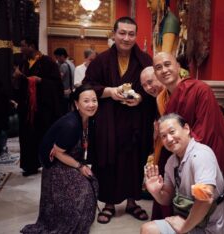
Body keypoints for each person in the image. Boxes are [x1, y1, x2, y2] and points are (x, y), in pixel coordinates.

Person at [153, 52, 224, 234]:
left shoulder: (200, 89)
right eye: (158, 67)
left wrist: (181, 157)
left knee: (205, 200)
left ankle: (189, 225)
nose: (164, 70)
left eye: (167, 64)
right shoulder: (164, 97)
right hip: (181, 150)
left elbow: (206, 130)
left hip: (208, 150)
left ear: (178, 67)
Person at [84, 16, 155, 224]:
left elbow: (153, 88)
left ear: (136, 35)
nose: (126, 38)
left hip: (136, 121)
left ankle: (132, 202)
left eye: (131, 34)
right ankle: (108, 203)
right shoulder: (101, 60)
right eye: (122, 33)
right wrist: (109, 92)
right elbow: (87, 86)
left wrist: (140, 97)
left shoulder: (145, 61)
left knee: (134, 161)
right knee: (107, 160)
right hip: (108, 123)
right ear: (113, 34)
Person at [20, 84, 99, 234]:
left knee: (91, 182)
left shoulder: (89, 119)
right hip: (55, 164)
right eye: (86, 101)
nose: (91, 105)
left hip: (67, 158)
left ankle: (80, 222)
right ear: (76, 104)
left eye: (94, 100)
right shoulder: (71, 124)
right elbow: (57, 153)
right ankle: (66, 223)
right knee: (83, 189)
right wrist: (80, 166)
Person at [141, 113, 224, 234]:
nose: (169, 139)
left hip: (207, 226)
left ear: (186, 129)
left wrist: (184, 228)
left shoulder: (201, 155)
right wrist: (156, 192)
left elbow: (205, 200)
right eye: (163, 136)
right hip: (185, 220)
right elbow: (167, 198)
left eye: (172, 132)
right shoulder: (171, 162)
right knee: (148, 229)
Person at [13, 38, 64, 177]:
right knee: (27, 138)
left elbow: (57, 85)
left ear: (32, 46)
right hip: (27, 108)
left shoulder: (47, 62)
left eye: (23, 46)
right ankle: (30, 165)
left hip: (43, 109)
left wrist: (41, 80)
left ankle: (47, 163)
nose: (21, 49)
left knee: (44, 136)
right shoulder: (24, 63)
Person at [54, 47, 76, 112]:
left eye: (57, 57)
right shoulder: (71, 63)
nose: (57, 60)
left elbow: (58, 79)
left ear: (62, 56)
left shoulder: (64, 65)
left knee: (64, 113)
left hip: (65, 93)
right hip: (71, 92)